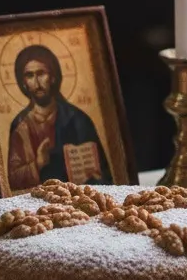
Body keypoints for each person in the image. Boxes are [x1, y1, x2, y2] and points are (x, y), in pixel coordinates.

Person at [7, 45, 112, 190]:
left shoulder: (77, 119)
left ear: (53, 77)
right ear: (23, 83)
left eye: (41, 73)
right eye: (30, 75)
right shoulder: (20, 126)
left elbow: (104, 175)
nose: (37, 83)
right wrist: (38, 163)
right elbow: (12, 180)